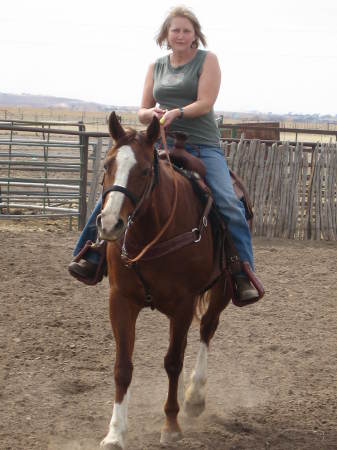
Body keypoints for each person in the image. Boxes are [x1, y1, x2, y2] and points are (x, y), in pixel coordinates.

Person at [69, 6, 259, 302]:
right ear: (166, 36)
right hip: (159, 145)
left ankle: (241, 271)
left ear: (195, 34)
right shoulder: (156, 66)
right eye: (175, 30)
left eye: (186, 30)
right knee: (116, 191)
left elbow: (206, 103)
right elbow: (143, 109)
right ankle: (91, 255)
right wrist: (151, 114)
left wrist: (176, 113)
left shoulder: (207, 61)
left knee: (228, 202)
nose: (181, 35)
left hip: (202, 145)